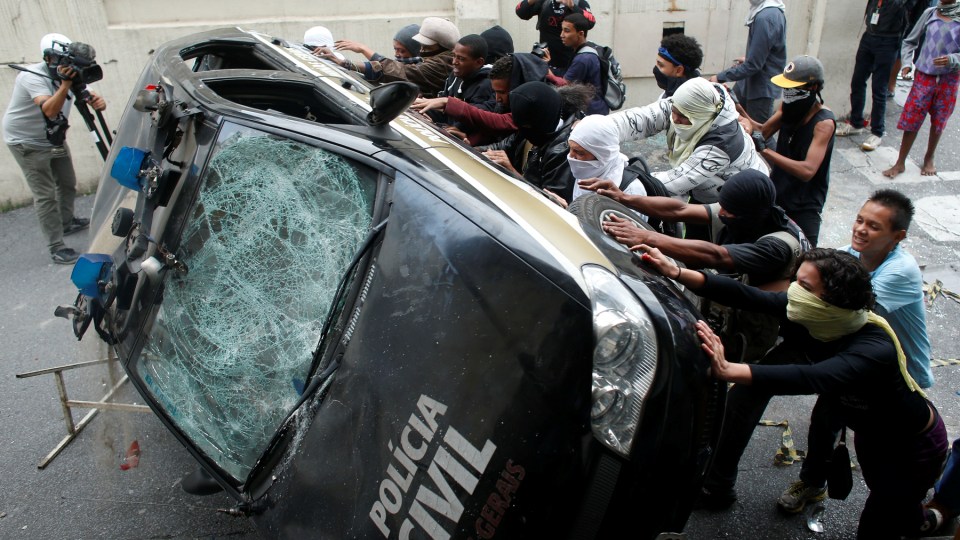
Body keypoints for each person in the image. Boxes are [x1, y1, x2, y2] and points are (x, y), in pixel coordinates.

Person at [641, 245, 945, 539]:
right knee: (892, 503)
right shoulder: (814, 315)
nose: (792, 291)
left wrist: (728, 369)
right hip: (870, 435)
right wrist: (676, 271)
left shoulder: (873, 348)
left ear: (830, 300)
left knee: (877, 523)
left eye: (803, 284)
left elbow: (813, 376)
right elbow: (749, 296)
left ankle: (927, 518)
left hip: (910, 447)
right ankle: (920, 518)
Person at [775, 190, 935, 517]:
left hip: (900, 376)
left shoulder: (900, 271)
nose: (861, 229)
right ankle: (814, 482)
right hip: (860, 364)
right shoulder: (850, 255)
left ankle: (909, 499)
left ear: (897, 236)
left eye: (874, 226)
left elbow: (838, 308)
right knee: (827, 417)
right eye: (860, 220)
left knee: (883, 445)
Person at [3, 33, 106, 264]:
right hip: (26, 141)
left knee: (67, 182)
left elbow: (89, 94)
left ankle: (66, 222)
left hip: (54, 137)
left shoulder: (70, 72)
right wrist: (66, 84)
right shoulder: (31, 77)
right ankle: (56, 246)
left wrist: (98, 101)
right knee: (45, 195)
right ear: (48, 58)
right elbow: (49, 110)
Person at [606, 77, 768, 204]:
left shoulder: (721, 145)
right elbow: (643, 118)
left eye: (683, 117)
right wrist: (600, 128)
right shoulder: (689, 102)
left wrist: (622, 181)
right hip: (706, 187)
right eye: (674, 111)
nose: (675, 119)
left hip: (741, 199)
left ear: (702, 116)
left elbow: (676, 181)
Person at [750, 55, 836, 246]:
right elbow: (762, 133)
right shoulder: (788, 107)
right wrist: (739, 110)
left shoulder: (823, 123)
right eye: (786, 87)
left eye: (793, 87)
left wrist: (766, 152)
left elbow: (807, 171)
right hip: (779, 191)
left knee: (806, 256)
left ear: (812, 87)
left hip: (804, 204)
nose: (787, 92)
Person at [835, 0, 927, 152]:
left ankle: (877, 132)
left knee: (879, 88)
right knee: (857, 81)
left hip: (889, 40)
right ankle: (855, 122)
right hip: (869, 35)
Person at [882, 0, 960, 177]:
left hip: (949, 79)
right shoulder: (930, 14)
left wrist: (953, 59)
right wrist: (907, 64)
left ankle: (929, 157)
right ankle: (900, 162)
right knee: (913, 116)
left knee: (939, 119)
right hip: (924, 75)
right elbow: (910, 41)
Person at [480, 81, 589, 202]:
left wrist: (512, 172)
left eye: (526, 126)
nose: (523, 131)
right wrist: (470, 148)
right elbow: (502, 146)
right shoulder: (528, 129)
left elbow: (551, 201)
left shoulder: (564, 151)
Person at [327, 17, 459, 98]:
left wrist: (347, 63)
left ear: (441, 47)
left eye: (427, 47)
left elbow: (398, 70)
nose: (422, 50)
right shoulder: (441, 59)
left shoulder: (441, 64)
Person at [710, 0, 787, 127]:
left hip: (760, 86)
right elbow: (767, 52)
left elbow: (754, 65)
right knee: (731, 120)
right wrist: (751, 58)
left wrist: (719, 77)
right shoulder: (770, 11)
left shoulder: (766, 17)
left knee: (758, 134)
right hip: (749, 81)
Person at [567, 114, 646, 201]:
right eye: (570, 148)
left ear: (603, 155)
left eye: (580, 153)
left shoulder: (631, 191)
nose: (571, 156)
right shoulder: (582, 171)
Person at [515, 0, 594, 76]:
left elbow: (590, 22)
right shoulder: (545, 2)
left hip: (570, 62)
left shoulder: (579, 2)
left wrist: (573, 6)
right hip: (546, 61)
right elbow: (521, 13)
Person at [559, 13, 608, 115]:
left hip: (589, 114)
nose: (562, 35)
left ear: (580, 33)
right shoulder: (592, 48)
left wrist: (548, 72)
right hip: (600, 108)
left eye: (567, 31)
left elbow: (564, 85)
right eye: (562, 30)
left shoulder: (582, 59)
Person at [330, 24, 422, 68]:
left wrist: (363, 49)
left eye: (402, 51)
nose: (397, 54)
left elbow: (391, 68)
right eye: (395, 49)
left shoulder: (422, 69)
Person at [653, 33, 704, 99]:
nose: (655, 69)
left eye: (661, 65)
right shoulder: (671, 91)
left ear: (679, 70)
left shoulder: (689, 101)